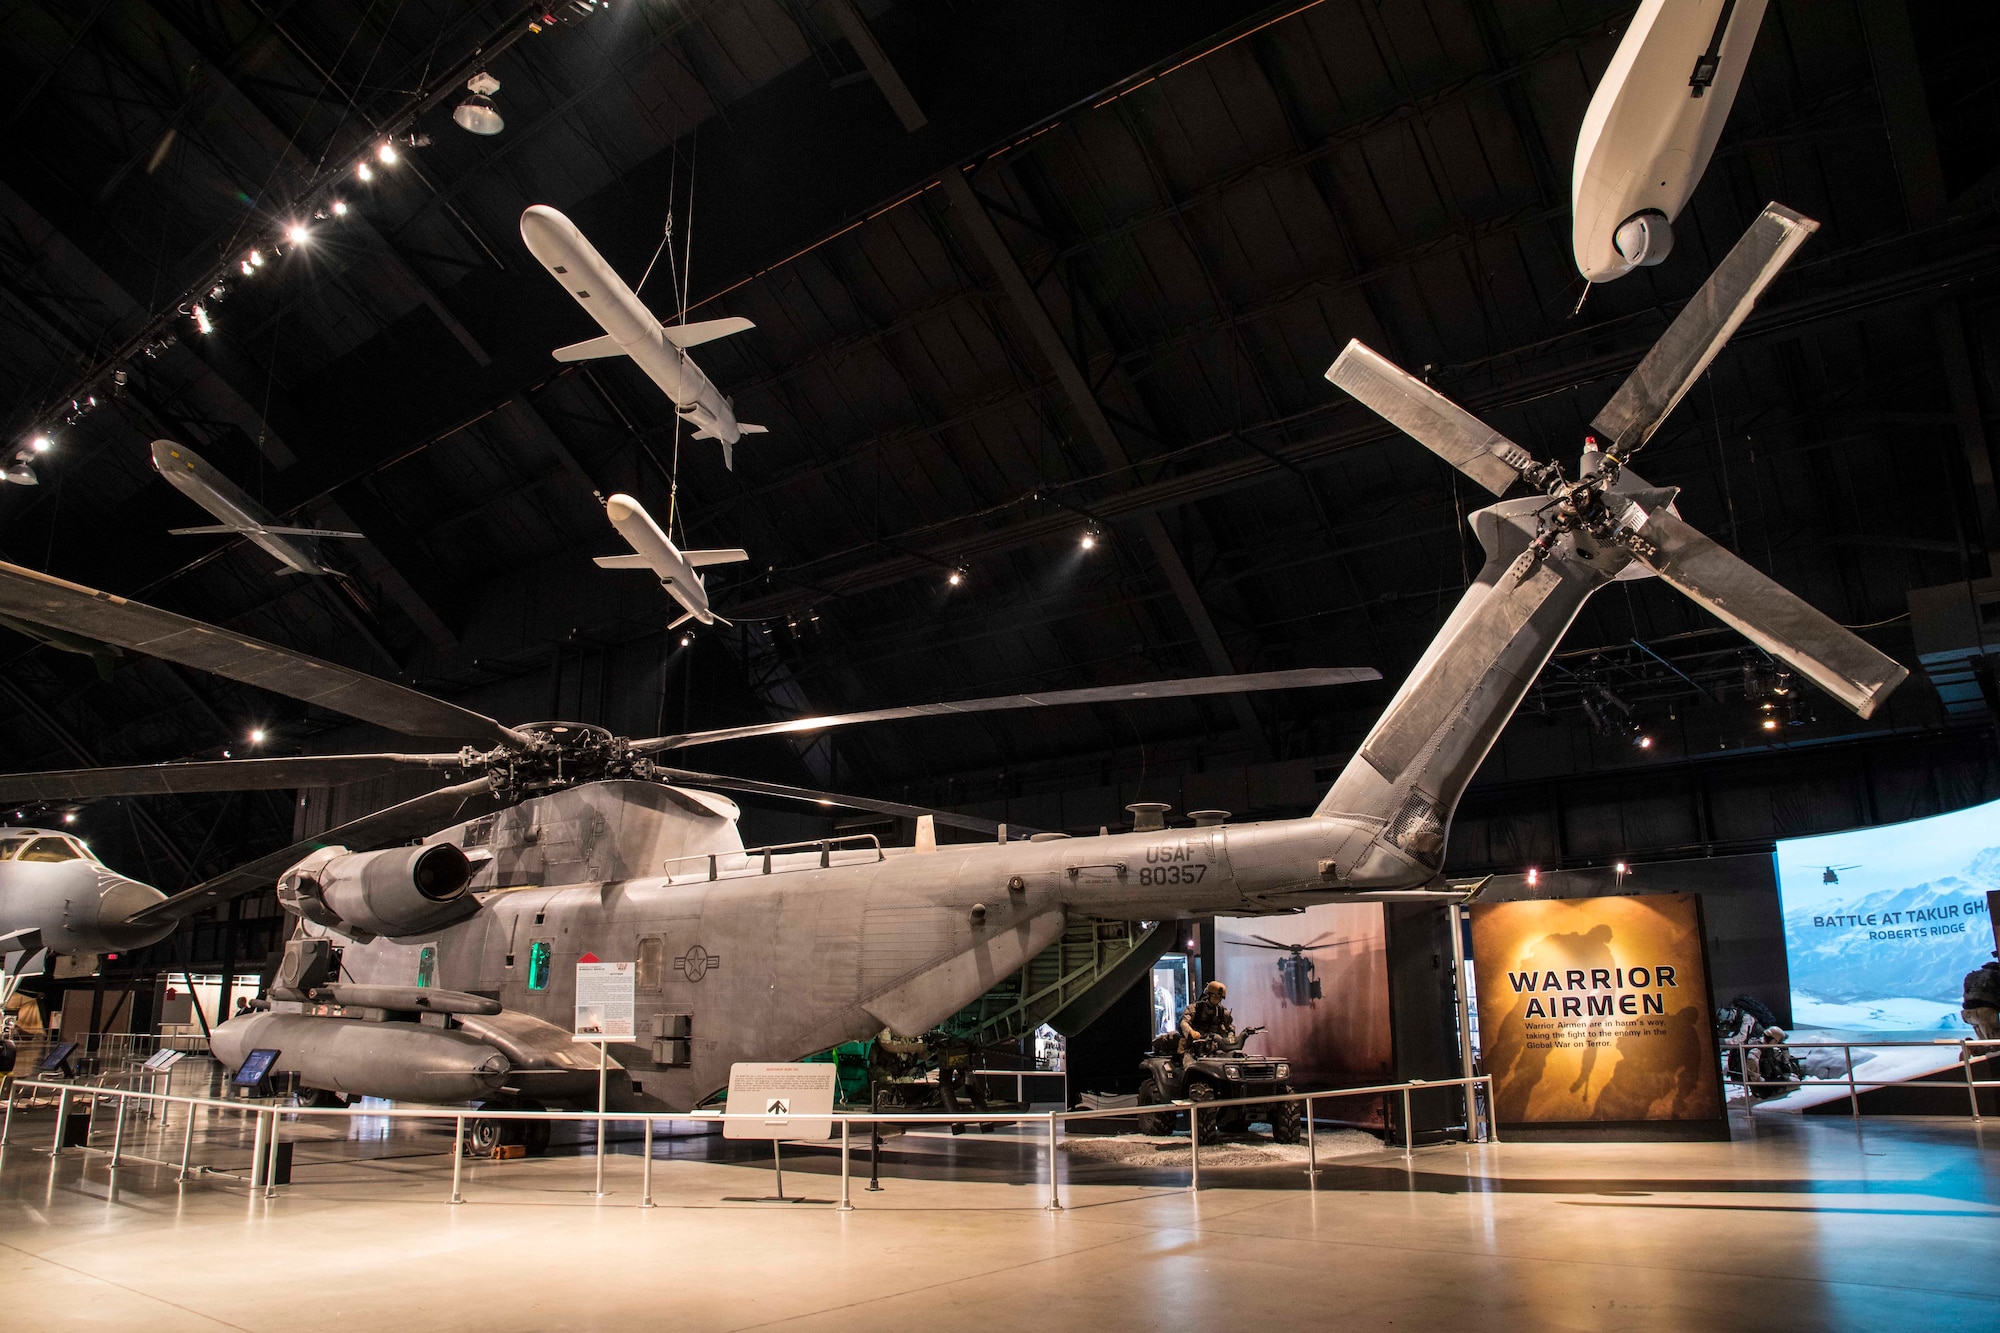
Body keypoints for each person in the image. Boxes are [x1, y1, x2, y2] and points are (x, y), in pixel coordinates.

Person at [1178, 980, 1234, 1058]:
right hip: (1195, 1046)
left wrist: (1230, 1038)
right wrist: (1191, 1031)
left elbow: (1230, 1028)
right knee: (1190, 1064)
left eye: (1219, 997)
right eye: (1214, 996)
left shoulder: (1223, 1012)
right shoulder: (1195, 1008)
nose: (1216, 999)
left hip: (1214, 1047)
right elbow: (1184, 1022)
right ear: (1208, 995)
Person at [1963, 952, 2000, 1041]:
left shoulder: (1971, 976)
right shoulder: (1996, 975)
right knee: (1996, 1041)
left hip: (1967, 1014)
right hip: (1987, 1012)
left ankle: (1979, 1048)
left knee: (1983, 1038)